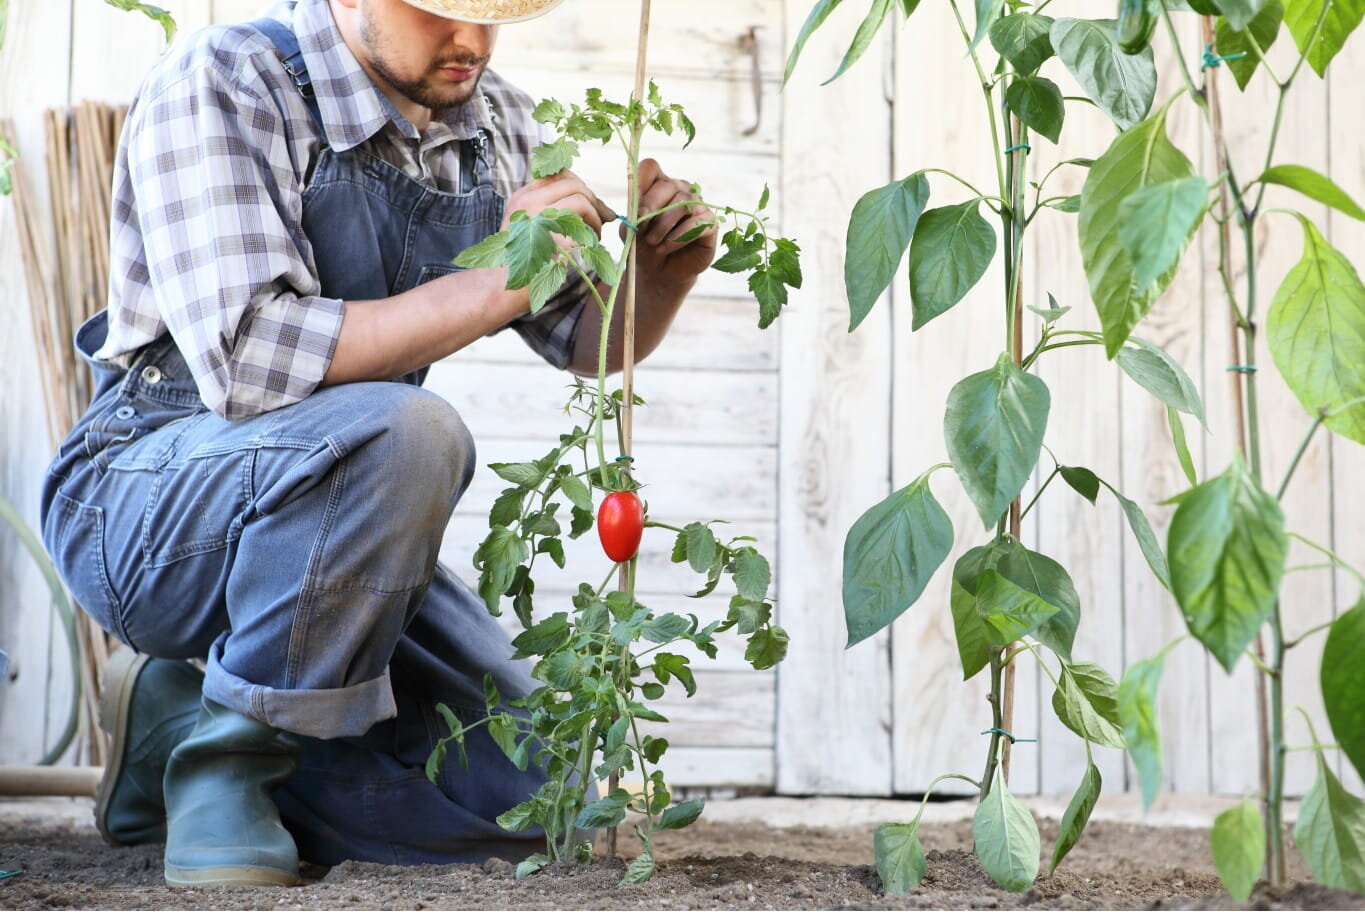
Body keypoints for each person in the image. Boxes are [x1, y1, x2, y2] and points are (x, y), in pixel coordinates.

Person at [39, 0, 717, 889]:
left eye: (492, 13)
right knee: (409, 428)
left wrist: (660, 279)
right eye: (439, 9)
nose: (470, 40)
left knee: (531, 798)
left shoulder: (496, 118)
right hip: (146, 505)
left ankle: (175, 728)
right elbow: (247, 361)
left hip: (343, 526)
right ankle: (227, 769)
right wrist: (505, 275)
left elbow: (578, 342)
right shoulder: (231, 79)